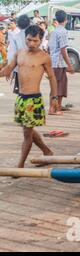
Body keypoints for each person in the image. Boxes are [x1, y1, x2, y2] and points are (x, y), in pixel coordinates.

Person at [0, 25, 58, 168]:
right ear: (25, 37)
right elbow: (7, 69)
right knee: (28, 129)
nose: (32, 44)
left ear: (41, 40)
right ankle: (47, 151)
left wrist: (54, 98)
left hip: (34, 99)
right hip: (21, 98)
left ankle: (20, 165)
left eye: (35, 41)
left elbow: (52, 78)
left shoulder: (44, 57)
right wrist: (3, 70)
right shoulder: (20, 53)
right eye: (29, 40)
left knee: (27, 132)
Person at [48, 10, 75, 115]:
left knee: (59, 85)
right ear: (66, 20)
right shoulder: (62, 31)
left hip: (54, 62)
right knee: (58, 86)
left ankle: (56, 106)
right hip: (59, 62)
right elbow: (63, 50)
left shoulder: (54, 31)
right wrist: (70, 65)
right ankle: (53, 108)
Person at [7, 15, 31, 94]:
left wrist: (9, 70)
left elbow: (12, 54)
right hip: (32, 66)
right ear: (29, 23)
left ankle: (22, 104)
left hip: (20, 66)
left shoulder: (15, 36)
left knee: (21, 89)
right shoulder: (33, 35)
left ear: (18, 25)